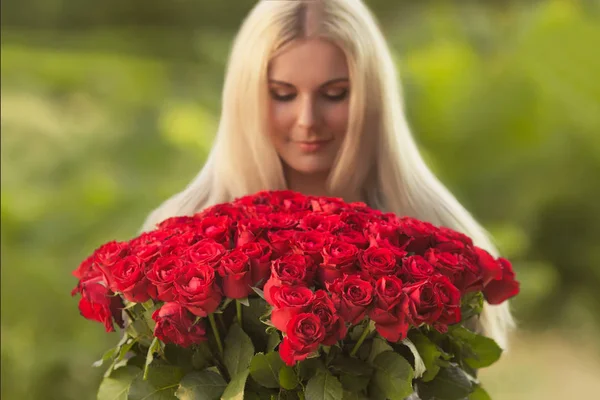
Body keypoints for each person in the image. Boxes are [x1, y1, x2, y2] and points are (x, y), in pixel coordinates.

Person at [141, 0, 514, 365]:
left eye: (335, 94)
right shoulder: (178, 229)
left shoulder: (440, 239)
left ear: (373, 97)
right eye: (283, 94)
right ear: (246, 97)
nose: (307, 119)